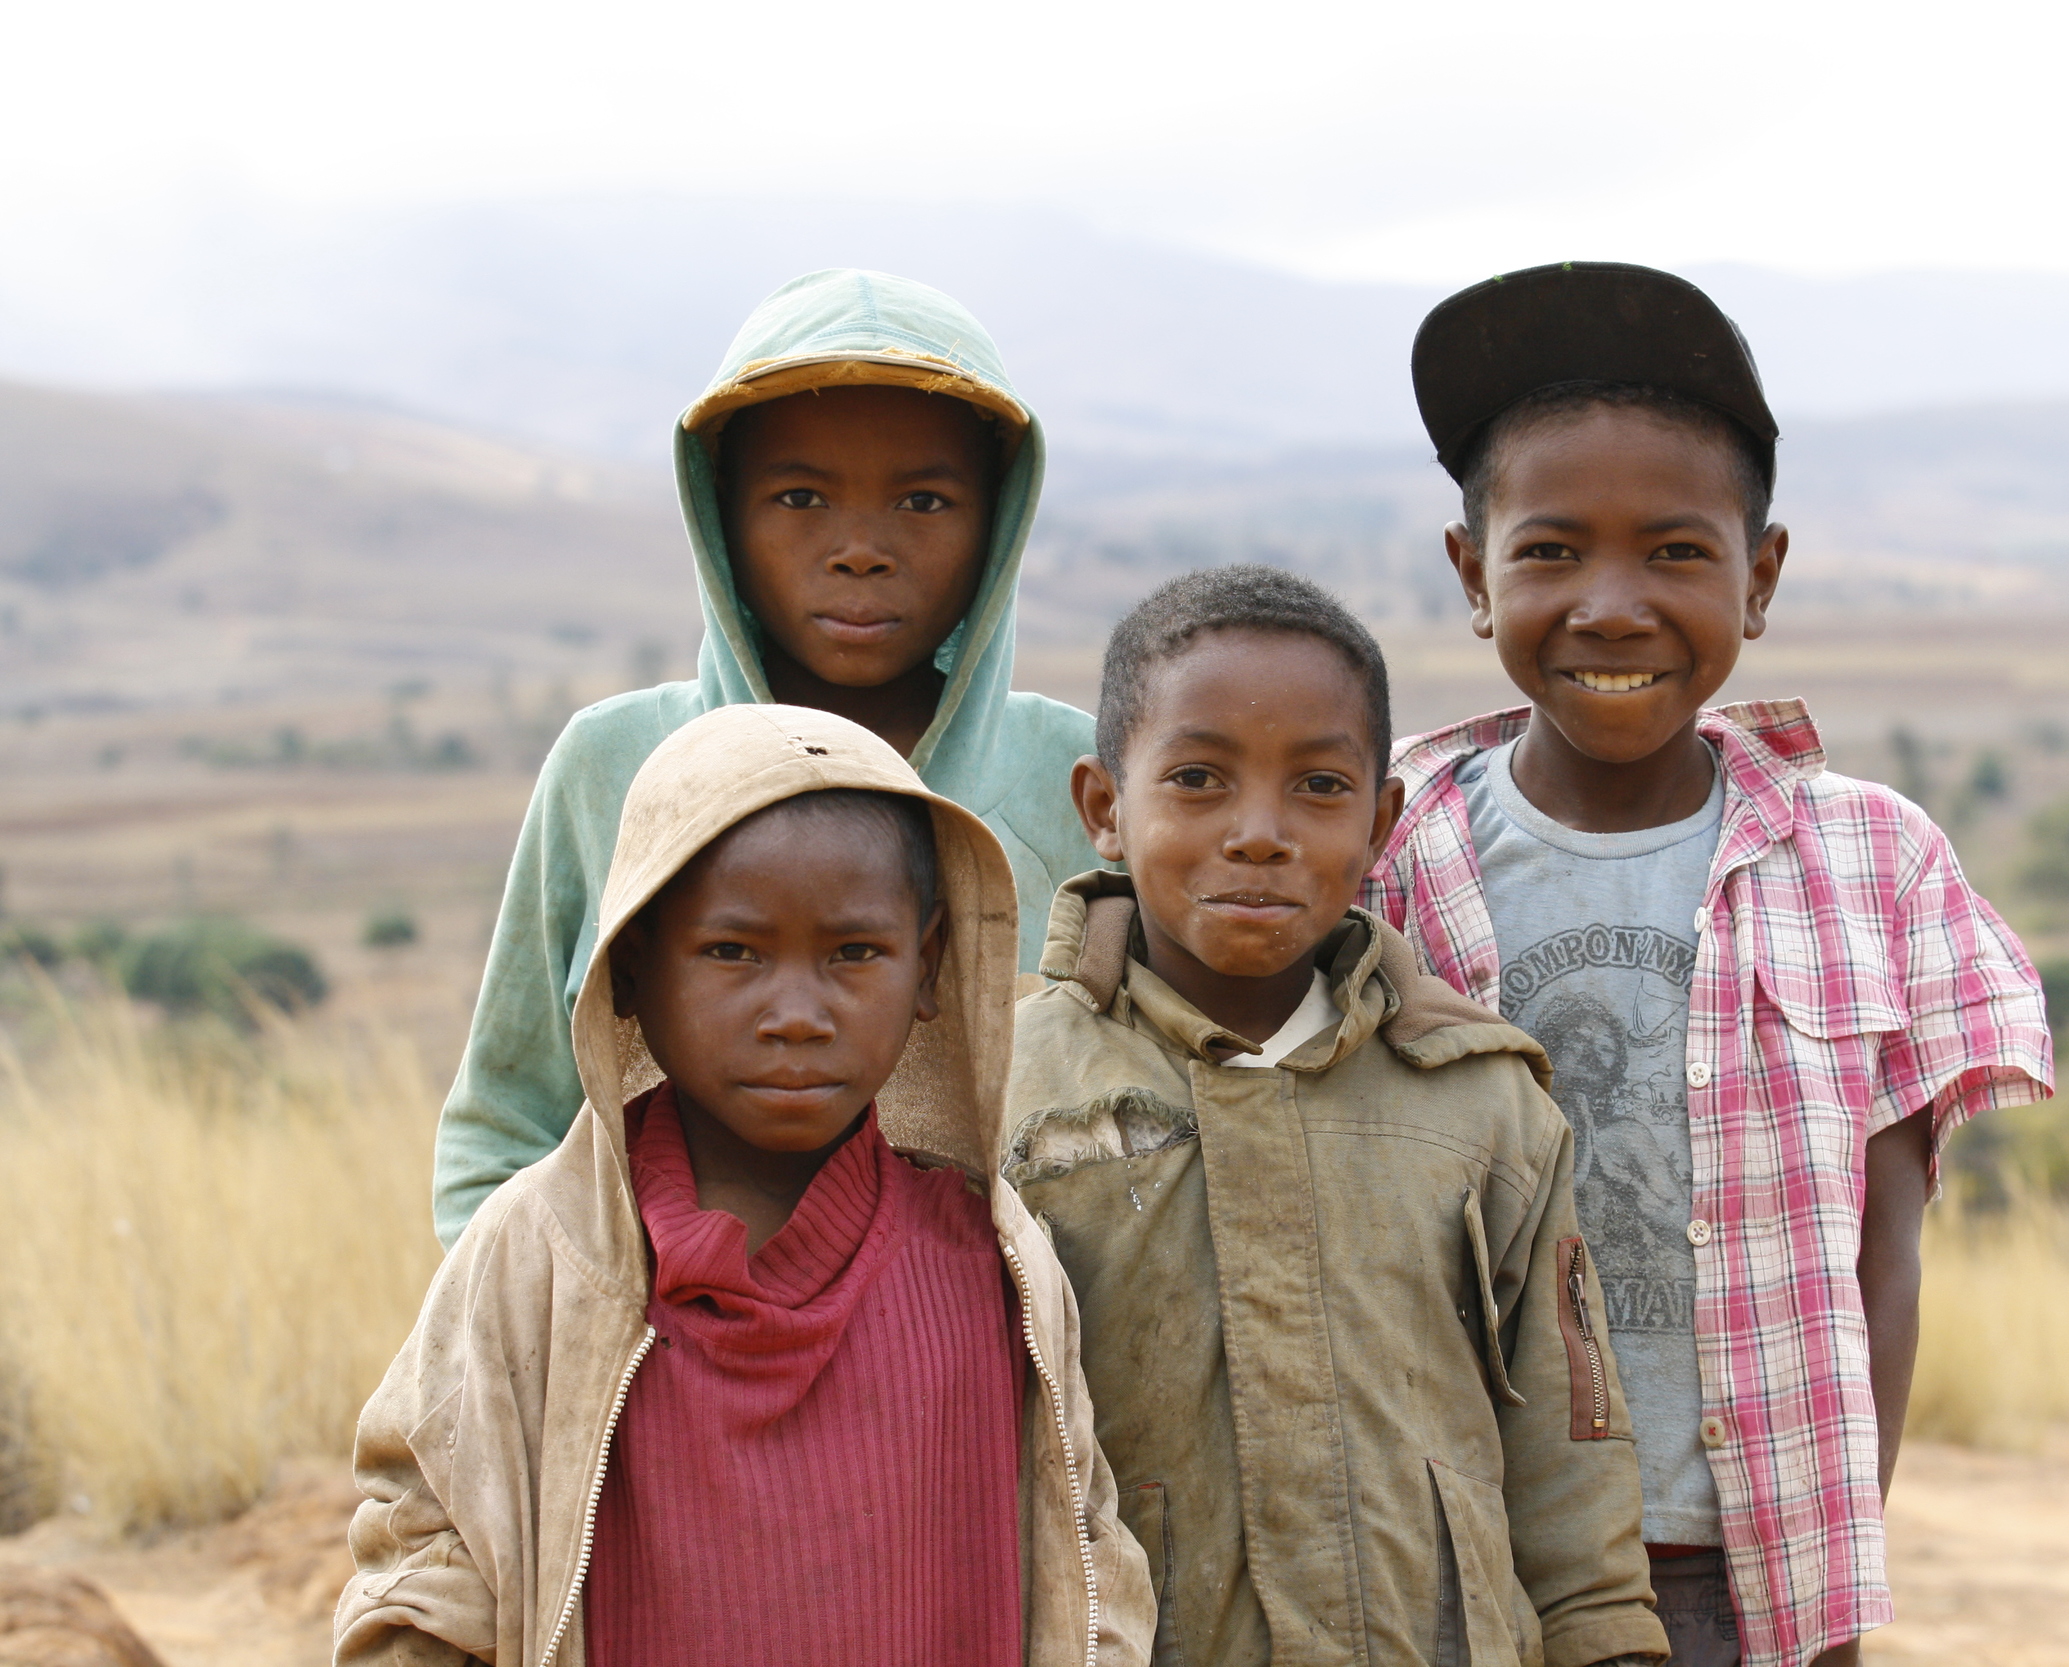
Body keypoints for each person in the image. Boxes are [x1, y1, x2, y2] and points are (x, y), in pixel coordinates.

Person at [1363, 263, 2054, 1667]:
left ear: (1762, 576)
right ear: (1470, 574)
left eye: (1676, 552)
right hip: (1450, 1564)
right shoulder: (1377, 850)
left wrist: (1831, 1569)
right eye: (1550, 549)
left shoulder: (1876, 862)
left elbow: (1888, 1248)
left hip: (1743, 1579)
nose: (1612, 605)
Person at [336, 703, 1153, 1667]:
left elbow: (1085, 1552)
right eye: (733, 952)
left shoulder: (995, 1260)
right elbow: (427, 1561)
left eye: (854, 952)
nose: (798, 1014)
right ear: (633, 967)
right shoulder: (543, 1257)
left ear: (928, 966)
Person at [1005, 566, 1671, 1667]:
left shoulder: (1481, 1098)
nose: (1259, 832)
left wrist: (1606, 1640)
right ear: (1103, 809)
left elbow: (1569, 1445)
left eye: (1317, 786)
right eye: (1198, 779)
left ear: (1379, 821)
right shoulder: (1007, 1097)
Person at [432, 268, 1102, 1247]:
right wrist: (544, 1346)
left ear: (996, 525)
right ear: (723, 521)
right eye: (798, 496)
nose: (861, 548)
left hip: (993, 1379)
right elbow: (503, 1130)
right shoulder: (612, 764)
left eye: (924, 500)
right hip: (673, 1377)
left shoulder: (1083, 777)